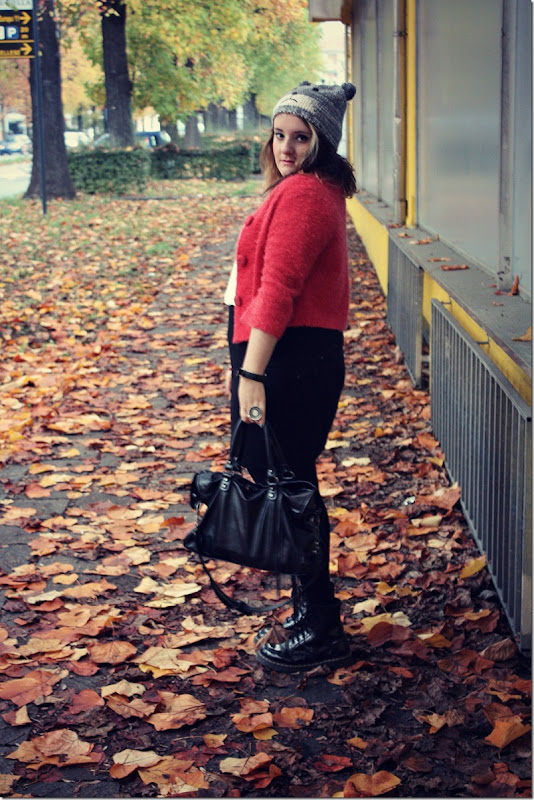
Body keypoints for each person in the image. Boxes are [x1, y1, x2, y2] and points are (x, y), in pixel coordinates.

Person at [225, 80, 357, 673]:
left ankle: (320, 623)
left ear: (321, 142)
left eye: (300, 137)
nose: (285, 147)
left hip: (289, 360)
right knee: (289, 481)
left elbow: (279, 289)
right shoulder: (305, 189)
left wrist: (251, 371)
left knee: (292, 486)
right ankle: (313, 614)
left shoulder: (305, 193)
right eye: (279, 134)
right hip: (290, 356)